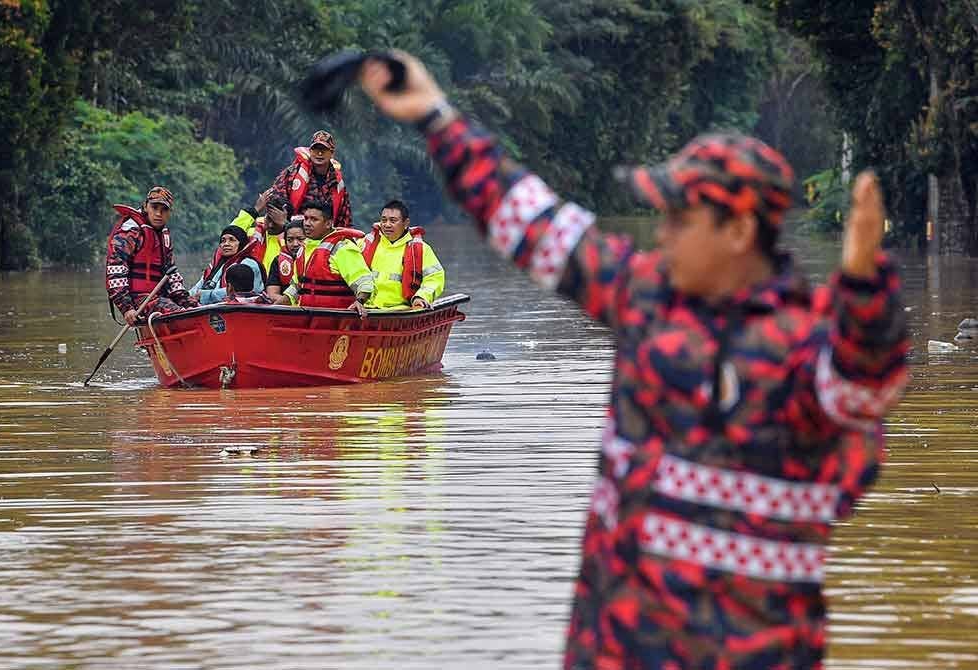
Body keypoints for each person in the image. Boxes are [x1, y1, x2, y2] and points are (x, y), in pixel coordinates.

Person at [358, 53, 909, 669]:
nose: (663, 234)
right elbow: (530, 220)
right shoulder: (646, 299)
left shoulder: (803, 348)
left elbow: (863, 387)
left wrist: (865, 289)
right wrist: (434, 115)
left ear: (738, 232)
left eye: (680, 217)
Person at [105, 186, 197, 324]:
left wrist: (187, 301)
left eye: (164, 210)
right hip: (139, 300)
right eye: (155, 208)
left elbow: (171, 274)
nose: (159, 214)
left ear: (170, 212)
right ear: (146, 206)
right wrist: (126, 308)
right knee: (181, 315)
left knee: (194, 309)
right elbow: (115, 271)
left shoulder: (164, 236)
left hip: (159, 297)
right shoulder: (130, 232)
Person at [280, 199, 373, 316]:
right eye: (306, 218)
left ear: (328, 223)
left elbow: (364, 283)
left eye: (314, 219)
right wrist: (273, 308)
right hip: (307, 318)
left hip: (336, 321)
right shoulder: (303, 249)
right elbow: (296, 288)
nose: (307, 223)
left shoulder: (342, 248)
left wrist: (359, 301)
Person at [360, 199, 445, 309]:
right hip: (364, 308)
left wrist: (421, 297)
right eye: (384, 220)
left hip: (401, 310)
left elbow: (435, 278)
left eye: (393, 220)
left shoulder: (420, 249)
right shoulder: (366, 243)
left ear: (406, 223)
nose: (387, 225)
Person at [268, 130, 353, 229]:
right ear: (310, 151)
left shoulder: (338, 184)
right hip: (294, 235)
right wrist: (287, 225)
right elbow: (275, 202)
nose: (320, 153)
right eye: (316, 149)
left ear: (332, 153)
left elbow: (345, 220)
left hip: (325, 239)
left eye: (324, 149)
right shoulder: (292, 173)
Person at [190, 224, 265, 305]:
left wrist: (205, 295)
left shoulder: (249, 264)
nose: (226, 244)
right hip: (212, 308)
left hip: (238, 307)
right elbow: (199, 285)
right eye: (223, 241)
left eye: (232, 240)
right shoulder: (217, 265)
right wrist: (187, 296)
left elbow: (245, 293)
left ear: (241, 243)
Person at [229, 189, 291, 274]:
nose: (270, 225)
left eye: (275, 222)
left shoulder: (293, 241)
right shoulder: (252, 234)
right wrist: (256, 209)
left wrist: (286, 225)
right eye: (269, 219)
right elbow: (230, 233)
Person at [266, 219, 306, 304]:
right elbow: (272, 294)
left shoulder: (314, 258)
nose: (295, 244)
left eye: (300, 239)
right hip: (287, 311)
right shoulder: (278, 261)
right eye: (290, 240)